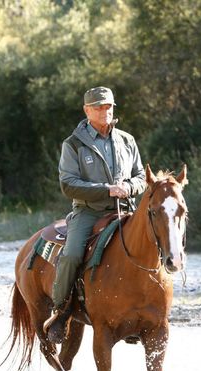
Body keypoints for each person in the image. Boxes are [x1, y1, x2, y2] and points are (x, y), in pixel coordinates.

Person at [43, 86, 147, 343]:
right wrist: (107, 190)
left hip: (126, 210)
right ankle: (61, 311)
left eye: (109, 106)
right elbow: (68, 184)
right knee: (72, 255)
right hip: (88, 212)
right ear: (86, 110)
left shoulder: (127, 140)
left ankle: (143, 311)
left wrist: (129, 187)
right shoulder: (74, 144)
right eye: (99, 107)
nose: (105, 111)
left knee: (152, 248)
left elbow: (142, 176)